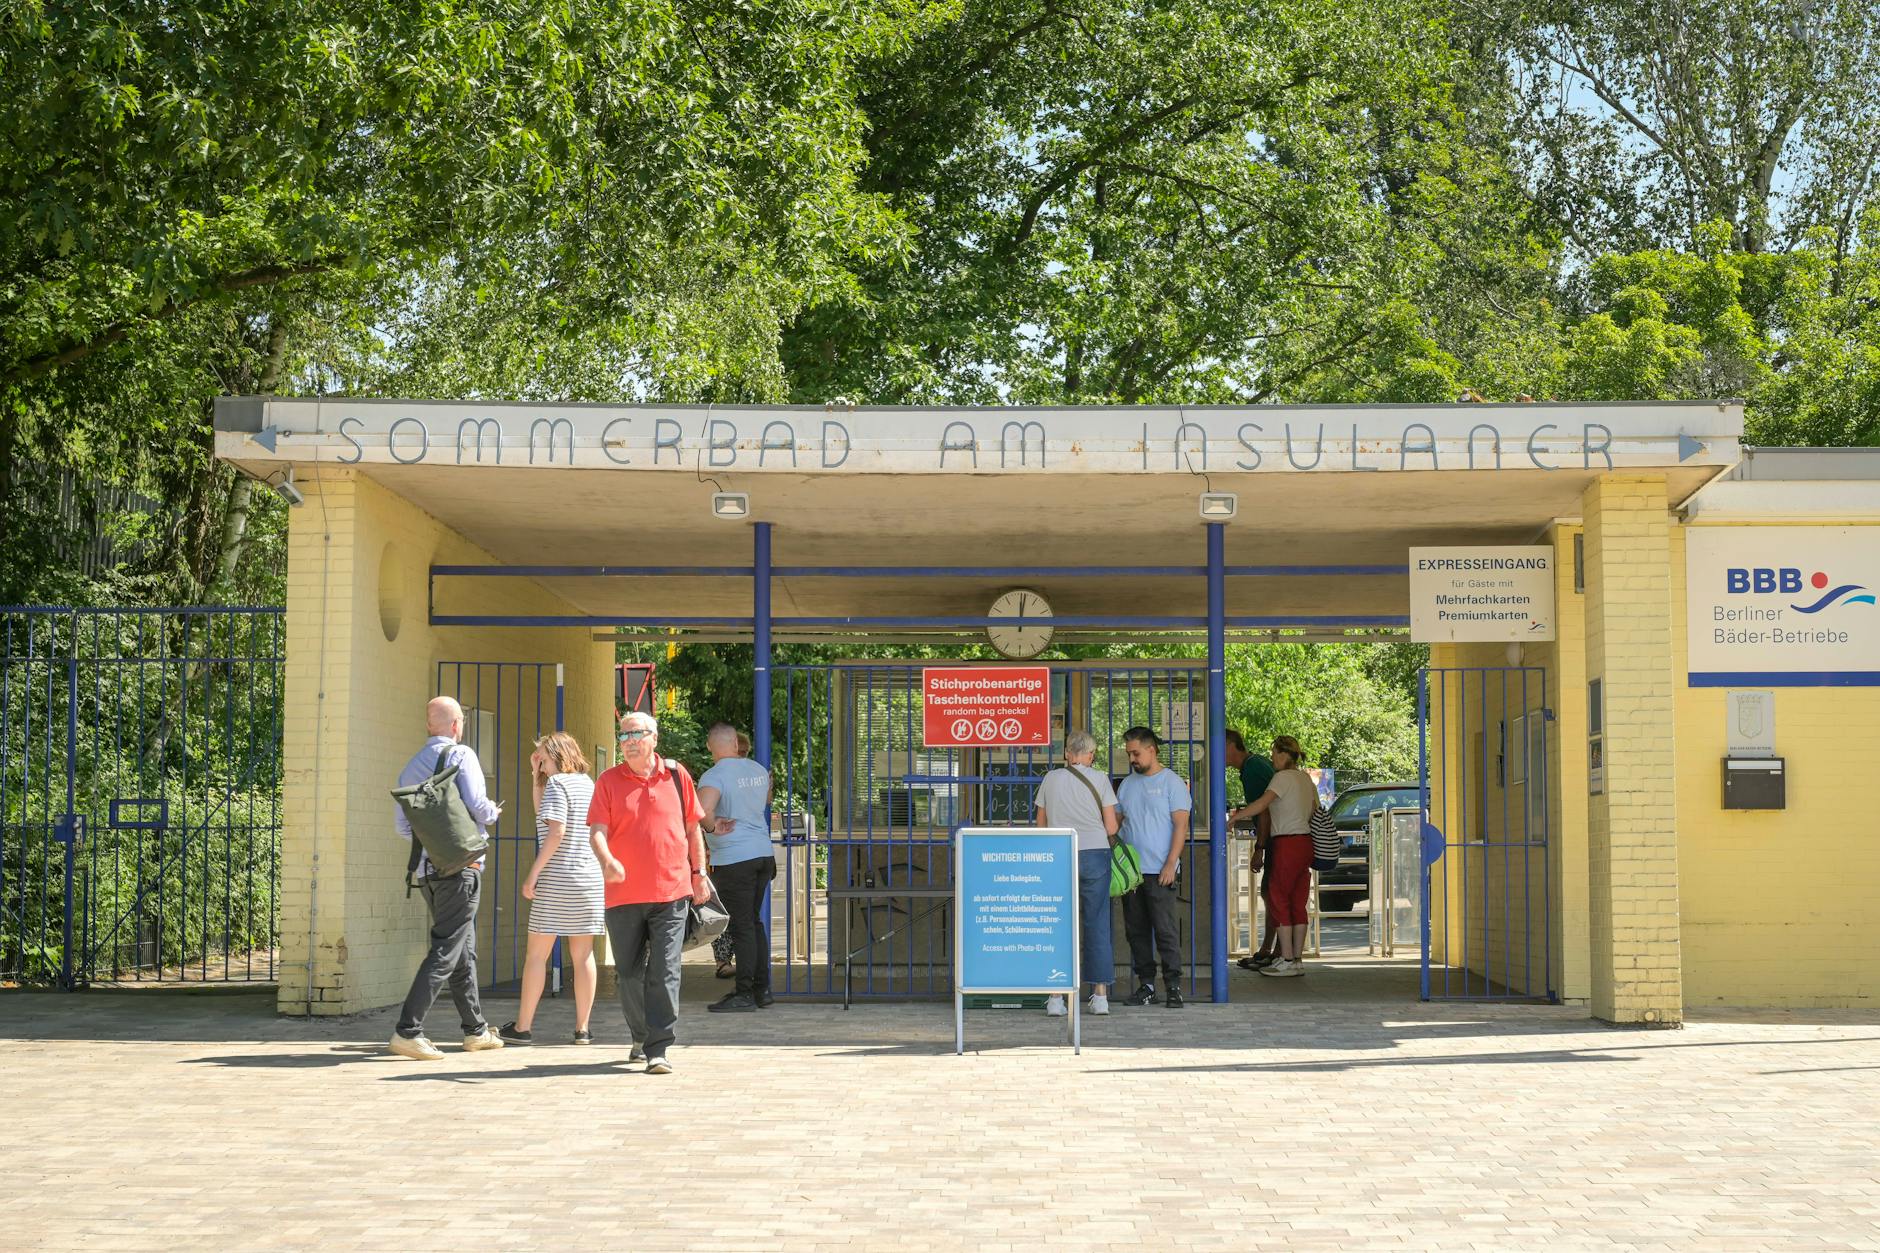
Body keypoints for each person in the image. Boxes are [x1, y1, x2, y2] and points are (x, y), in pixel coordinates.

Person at [586, 711, 711, 1074]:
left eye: (636, 734)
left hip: (672, 891)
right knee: (628, 973)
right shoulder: (609, 780)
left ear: (654, 738)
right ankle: (640, 1036)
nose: (628, 741)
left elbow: (693, 829)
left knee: (665, 969)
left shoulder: (676, 775)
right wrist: (607, 859)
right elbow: (597, 830)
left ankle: (659, 1047)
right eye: (623, 735)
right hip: (622, 894)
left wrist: (699, 872)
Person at [388, 696, 507, 1060]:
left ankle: (475, 1030)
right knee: (446, 948)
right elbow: (477, 807)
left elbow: (402, 826)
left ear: (429, 725)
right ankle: (408, 1030)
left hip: (428, 872)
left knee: (461, 951)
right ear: (457, 725)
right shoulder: (461, 756)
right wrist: (494, 813)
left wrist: (432, 848)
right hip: (462, 871)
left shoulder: (409, 769)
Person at [498, 733, 603, 1046]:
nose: (539, 761)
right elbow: (542, 816)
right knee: (583, 955)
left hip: (558, 878)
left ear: (557, 754)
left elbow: (554, 832)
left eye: (541, 757)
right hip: (588, 878)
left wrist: (533, 874)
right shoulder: (587, 783)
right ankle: (583, 1029)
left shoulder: (558, 785)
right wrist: (535, 777)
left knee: (536, 956)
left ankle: (523, 1027)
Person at [1033, 730, 1120, 1016]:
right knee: (1097, 923)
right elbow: (1111, 828)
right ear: (1091, 754)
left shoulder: (1050, 779)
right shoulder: (1100, 779)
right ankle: (1100, 996)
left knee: (1058, 923)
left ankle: (1056, 996)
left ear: (1068, 754)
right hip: (1095, 854)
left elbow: (1041, 825)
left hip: (1059, 852)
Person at [696, 722, 776, 1013]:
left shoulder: (714, 774)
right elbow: (766, 801)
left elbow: (703, 811)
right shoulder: (756, 769)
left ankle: (743, 993)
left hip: (734, 858)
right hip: (763, 855)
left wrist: (712, 827)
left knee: (741, 925)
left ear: (710, 747)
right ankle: (761, 990)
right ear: (734, 744)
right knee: (753, 922)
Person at [1115, 726, 1193, 1009]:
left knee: (1165, 931)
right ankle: (1146, 986)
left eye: (1136, 753)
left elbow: (1180, 826)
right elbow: (1117, 823)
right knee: (1136, 932)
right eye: (1129, 754)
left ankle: (1173, 986)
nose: (1132, 759)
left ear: (1152, 750)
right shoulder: (1126, 785)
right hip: (1132, 874)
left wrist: (1171, 863)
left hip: (1161, 870)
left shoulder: (1172, 783)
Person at [1234, 735, 1319, 978]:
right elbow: (1314, 810)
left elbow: (1262, 804)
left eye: (1274, 753)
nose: (1271, 757)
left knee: (1277, 897)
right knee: (1298, 901)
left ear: (1284, 754)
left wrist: (1233, 818)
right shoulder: (1305, 779)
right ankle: (1298, 959)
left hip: (1286, 842)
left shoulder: (1281, 778)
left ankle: (1287, 958)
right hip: (1305, 842)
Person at [1224, 729, 1279, 970]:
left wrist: (1260, 848)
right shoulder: (1253, 766)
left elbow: (1265, 810)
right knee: (1271, 892)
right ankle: (1270, 950)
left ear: (1229, 745)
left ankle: (1276, 951)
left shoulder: (1253, 769)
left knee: (1274, 894)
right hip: (1277, 837)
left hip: (1278, 838)